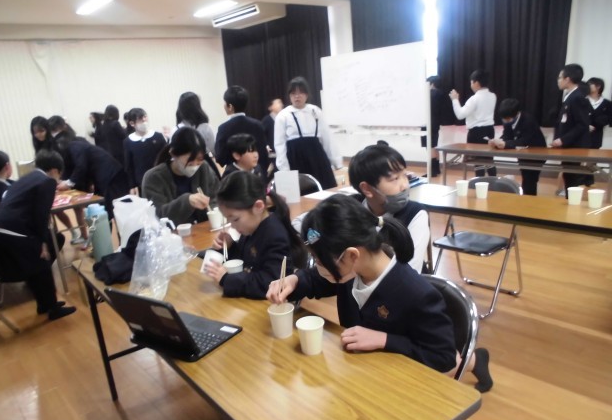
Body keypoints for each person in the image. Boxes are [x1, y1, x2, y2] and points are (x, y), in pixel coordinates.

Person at [266, 194, 493, 391]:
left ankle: (476, 360)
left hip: (399, 384)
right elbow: (318, 279)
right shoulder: (352, 272)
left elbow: (443, 358)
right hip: (363, 373)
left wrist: (385, 340)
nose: (317, 266)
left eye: (320, 260)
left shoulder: (416, 293)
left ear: (352, 255)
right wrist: (295, 280)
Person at [0, 149, 76, 321]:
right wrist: (42, 242)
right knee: (42, 262)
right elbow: (41, 214)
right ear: (55, 170)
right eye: (59, 174)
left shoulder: (27, 177)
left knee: (35, 266)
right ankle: (52, 308)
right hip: (12, 229)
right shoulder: (47, 181)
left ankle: (44, 305)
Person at [203, 171, 306, 299]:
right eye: (228, 220)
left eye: (235, 219)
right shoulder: (252, 226)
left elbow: (271, 282)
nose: (232, 226)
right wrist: (229, 247)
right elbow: (247, 259)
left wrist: (226, 279)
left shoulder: (275, 235)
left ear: (258, 207)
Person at [348, 143, 430, 273]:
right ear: (367, 189)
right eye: (395, 178)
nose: (405, 186)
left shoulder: (415, 213)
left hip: (399, 283)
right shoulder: (350, 209)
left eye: (405, 175)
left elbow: (410, 272)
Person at [274, 76, 342, 189]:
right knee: (302, 191)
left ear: (306, 94)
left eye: (300, 92)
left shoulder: (315, 111)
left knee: (325, 189)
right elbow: (279, 145)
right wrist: (284, 169)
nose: (297, 96)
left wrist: (336, 162)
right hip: (295, 158)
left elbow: (327, 138)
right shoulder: (283, 115)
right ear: (289, 95)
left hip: (317, 157)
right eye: (293, 93)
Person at [142, 127, 219, 226]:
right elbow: (157, 216)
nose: (195, 165)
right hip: (171, 234)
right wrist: (187, 202)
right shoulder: (154, 177)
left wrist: (214, 211)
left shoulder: (204, 168)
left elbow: (217, 198)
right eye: (190, 162)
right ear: (173, 154)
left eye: (199, 159)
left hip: (204, 231)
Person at [488, 98, 548, 195]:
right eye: (504, 119)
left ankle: (529, 200)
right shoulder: (508, 119)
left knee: (530, 179)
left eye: (508, 119)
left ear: (517, 113)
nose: (505, 121)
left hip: (536, 154)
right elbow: (507, 135)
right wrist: (498, 141)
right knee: (526, 177)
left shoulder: (528, 121)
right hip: (523, 153)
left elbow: (524, 141)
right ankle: (526, 196)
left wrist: (506, 144)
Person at [551, 64, 592, 193]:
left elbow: (582, 124)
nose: (558, 80)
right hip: (568, 145)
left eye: (560, 77)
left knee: (572, 178)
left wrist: (562, 140)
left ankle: (572, 202)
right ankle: (570, 199)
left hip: (574, 146)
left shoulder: (577, 97)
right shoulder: (570, 96)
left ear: (567, 79)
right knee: (568, 176)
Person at [450, 69, 497, 177]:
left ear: (476, 83)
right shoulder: (493, 96)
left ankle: (480, 183)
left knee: (478, 160)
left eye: (471, 82)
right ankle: (494, 182)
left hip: (476, 132)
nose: (471, 85)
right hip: (490, 130)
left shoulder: (474, 98)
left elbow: (460, 115)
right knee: (489, 159)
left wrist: (455, 99)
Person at [215, 85, 269, 175]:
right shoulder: (258, 125)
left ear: (230, 106)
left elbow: (220, 158)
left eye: (225, 103)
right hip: (256, 174)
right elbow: (264, 155)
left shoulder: (223, 128)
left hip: (234, 175)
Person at [123, 108, 167, 196]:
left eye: (145, 117)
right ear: (132, 123)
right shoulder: (128, 141)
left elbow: (166, 158)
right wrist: (132, 186)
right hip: (141, 182)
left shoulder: (158, 136)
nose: (144, 120)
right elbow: (129, 166)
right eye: (140, 119)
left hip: (161, 179)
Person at [422, 76, 455, 177]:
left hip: (428, 122)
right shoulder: (441, 93)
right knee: (434, 145)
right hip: (436, 122)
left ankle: (432, 170)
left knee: (430, 146)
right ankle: (436, 169)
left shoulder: (430, 94)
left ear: (431, 83)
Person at [173, 91, 216, 156]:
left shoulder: (176, 130)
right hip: (204, 160)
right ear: (198, 107)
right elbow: (213, 150)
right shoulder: (206, 128)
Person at [586, 77, 612, 150]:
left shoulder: (607, 103)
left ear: (598, 86)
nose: (587, 87)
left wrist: (599, 121)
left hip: (596, 136)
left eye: (590, 84)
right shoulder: (582, 101)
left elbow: (609, 118)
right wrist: (586, 125)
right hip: (581, 136)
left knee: (593, 155)